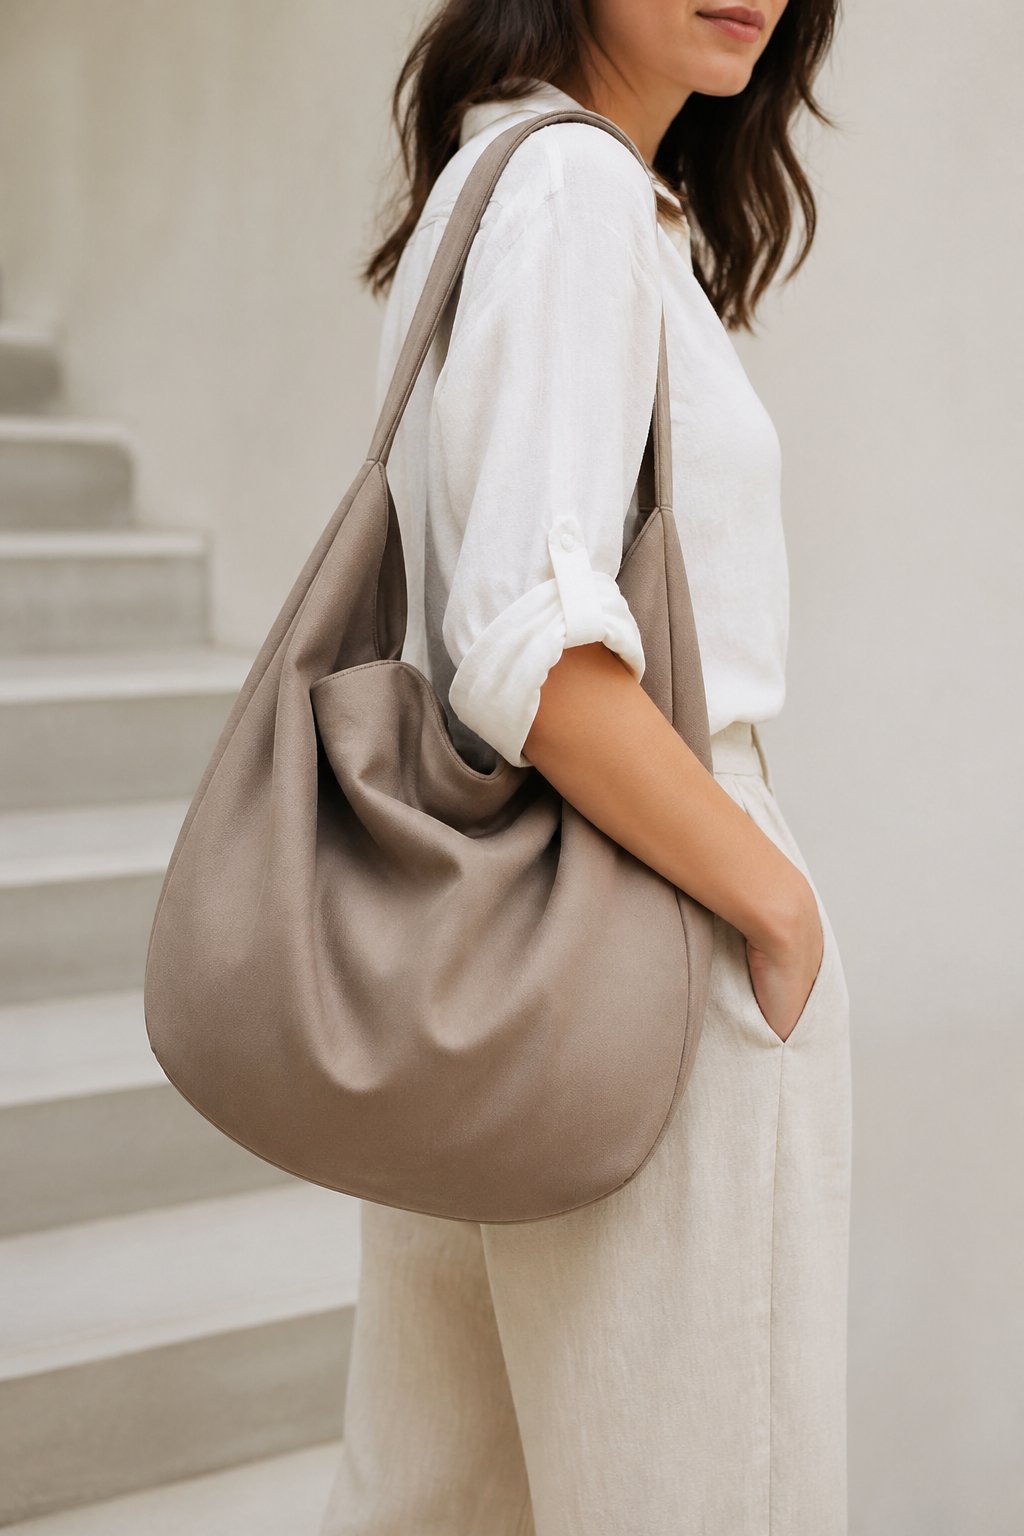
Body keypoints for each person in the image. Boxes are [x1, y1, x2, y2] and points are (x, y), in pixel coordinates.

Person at [319, 3, 851, 1533]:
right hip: (654, 907)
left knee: (442, 1489)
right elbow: (534, 650)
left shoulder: (499, 180)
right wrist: (777, 901)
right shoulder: (578, 191)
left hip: (483, 922)